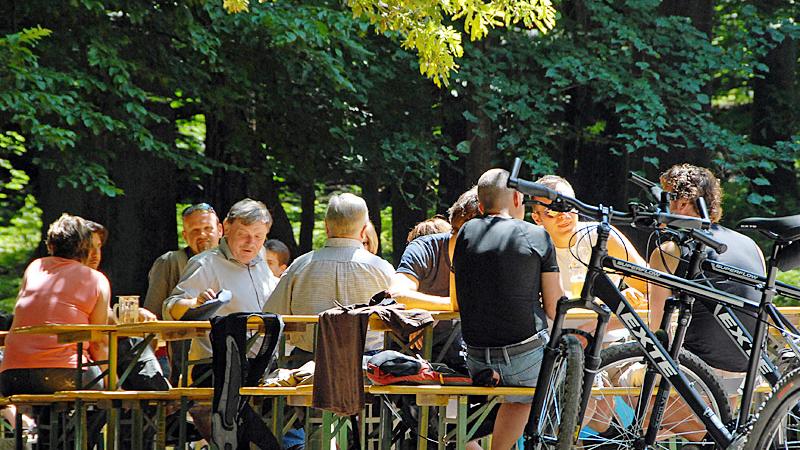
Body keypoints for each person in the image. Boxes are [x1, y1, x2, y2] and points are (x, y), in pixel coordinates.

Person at [453, 169, 563, 450]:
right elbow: (554, 308)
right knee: (573, 374)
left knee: (520, 397)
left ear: (480, 205)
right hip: (525, 358)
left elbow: (456, 303)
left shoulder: (464, 233)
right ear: (517, 197)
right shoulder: (536, 235)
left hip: (476, 360)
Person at [648, 164, 765, 392]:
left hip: (701, 375)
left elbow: (658, 330)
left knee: (618, 375)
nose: (657, 205)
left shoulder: (670, 250)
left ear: (682, 203)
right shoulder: (752, 246)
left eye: (664, 197)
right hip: (749, 373)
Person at [264, 193, 394, 367]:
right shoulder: (382, 269)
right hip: (367, 369)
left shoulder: (300, 266)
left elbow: (271, 315)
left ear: (326, 227)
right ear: (364, 231)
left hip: (307, 367)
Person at [0, 214, 110, 394]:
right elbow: (98, 341)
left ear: (51, 245)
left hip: (12, 375)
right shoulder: (96, 279)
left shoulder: (35, 267)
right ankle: (76, 423)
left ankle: (43, 424)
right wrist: (112, 384)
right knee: (102, 394)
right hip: (65, 373)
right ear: (86, 247)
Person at [530, 175, 648, 306]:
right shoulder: (531, 247)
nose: (564, 216)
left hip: (604, 322)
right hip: (552, 324)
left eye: (568, 206)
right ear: (537, 218)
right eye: (552, 211)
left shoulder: (601, 236)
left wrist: (626, 296)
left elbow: (649, 284)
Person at [143, 203, 223, 319]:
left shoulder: (234, 261)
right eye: (195, 230)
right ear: (185, 236)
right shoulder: (169, 262)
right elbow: (151, 314)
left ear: (220, 230)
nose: (202, 235)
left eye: (208, 228)